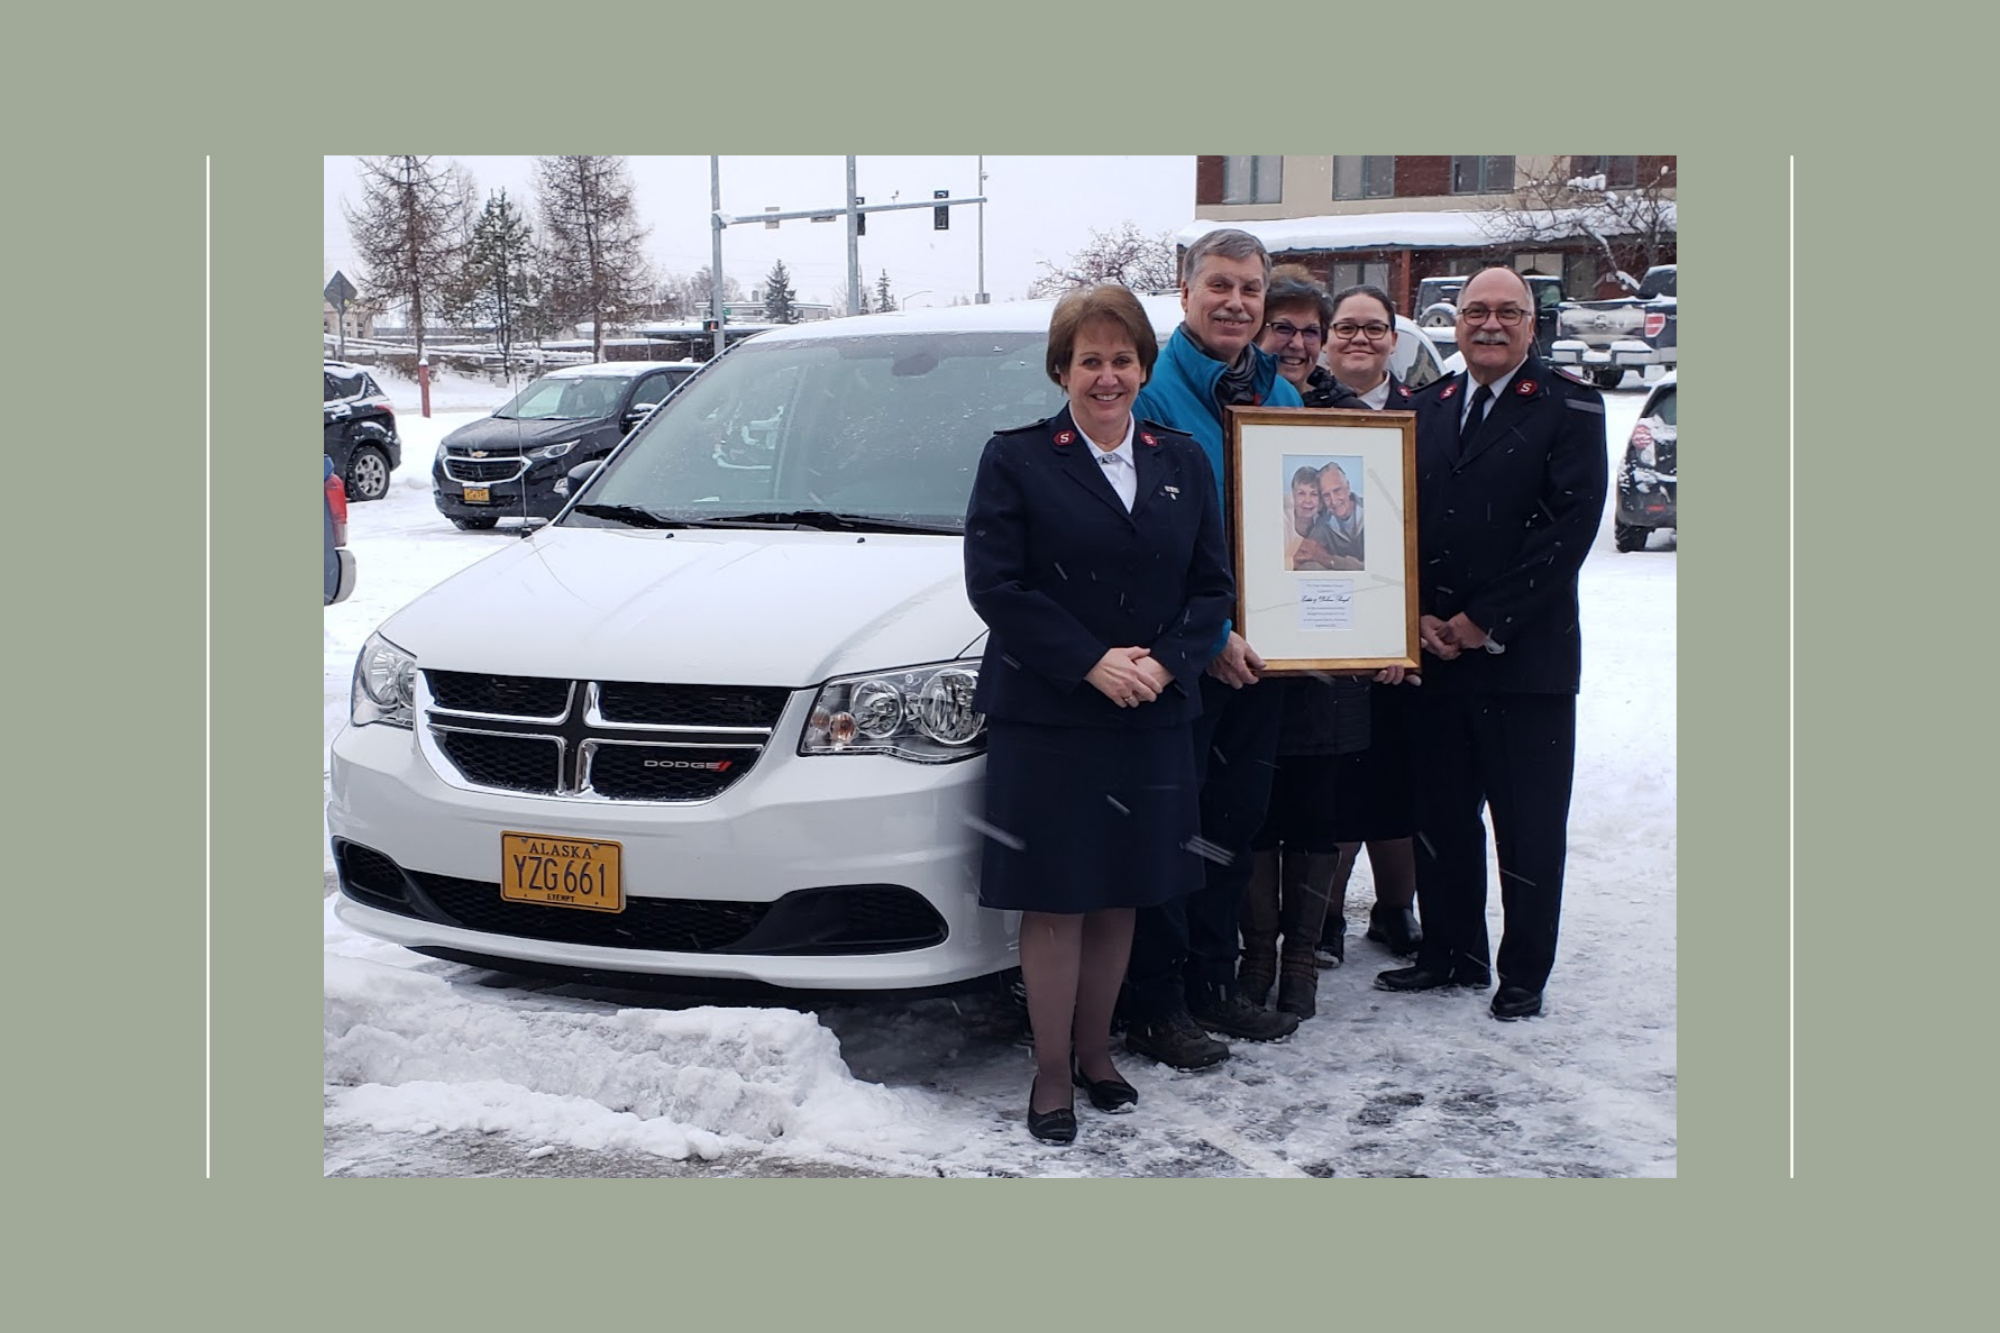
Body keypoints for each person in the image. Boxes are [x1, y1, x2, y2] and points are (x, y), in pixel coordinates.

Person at [964, 283, 1235, 1141]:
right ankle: (1049, 1075)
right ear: (1062, 370)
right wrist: (1088, 661)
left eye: (1123, 360)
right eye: (1091, 361)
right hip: (1050, 715)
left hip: (1151, 709)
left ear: (1143, 369)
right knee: (1056, 899)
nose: (1107, 376)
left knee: (1123, 891)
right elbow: (996, 585)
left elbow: (1211, 587)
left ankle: (1096, 1052)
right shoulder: (1016, 459)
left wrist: (1162, 660)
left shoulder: (1182, 459)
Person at [1375, 267, 1607, 1021]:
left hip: (1524, 660)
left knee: (1528, 824)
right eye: (1477, 310)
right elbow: (1394, 519)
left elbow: (1564, 533)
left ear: (1533, 324)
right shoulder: (1428, 407)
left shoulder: (1569, 407)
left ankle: (1523, 970)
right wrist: (1411, 616)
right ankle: (1452, 951)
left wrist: (1485, 619)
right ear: (1456, 322)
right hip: (1436, 655)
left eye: (1509, 311)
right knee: (1441, 817)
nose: (1491, 324)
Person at [1118, 229, 1305, 1069]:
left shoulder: (1281, 397)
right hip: (1179, 656)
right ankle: (1154, 1004)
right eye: (1220, 285)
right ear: (1184, 289)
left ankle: (1211, 985)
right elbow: (1146, 545)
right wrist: (1216, 633)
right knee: (1169, 828)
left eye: (1251, 289)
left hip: (1266, 657)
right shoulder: (1151, 397)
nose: (1237, 302)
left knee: (1231, 825)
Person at [1235, 268, 1377, 1020]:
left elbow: (1377, 534)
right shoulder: (1231, 403)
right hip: (1251, 650)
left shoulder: (1351, 418)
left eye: (1307, 330)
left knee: (1316, 811)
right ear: (1259, 333)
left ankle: (1302, 961)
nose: (1294, 342)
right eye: (1280, 328)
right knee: (1257, 810)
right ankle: (1255, 953)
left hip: (1331, 648)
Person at [1315, 284, 1425, 965]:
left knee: (1397, 780)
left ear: (1395, 339)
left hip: (1400, 639)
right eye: (1346, 327)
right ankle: (1320, 914)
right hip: (1315, 635)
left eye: (1375, 328)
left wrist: (1405, 632)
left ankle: (1394, 910)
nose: (1360, 338)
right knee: (1328, 782)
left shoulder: (1427, 415)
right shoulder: (1292, 410)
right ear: (1327, 337)